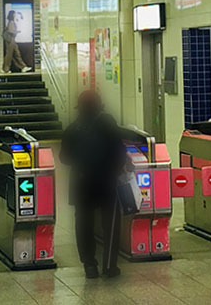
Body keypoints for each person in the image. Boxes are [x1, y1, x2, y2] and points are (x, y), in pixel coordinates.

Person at [60, 91, 127, 279]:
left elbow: (64, 158)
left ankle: (89, 265)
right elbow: (119, 150)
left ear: (79, 107)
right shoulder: (108, 123)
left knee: (83, 223)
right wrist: (116, 169)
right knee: (110, 223)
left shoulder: (73, 129)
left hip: (81, 182)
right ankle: (109, 266)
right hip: (106, 181)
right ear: (99, 105)